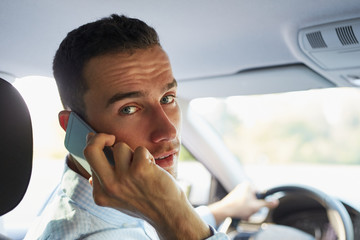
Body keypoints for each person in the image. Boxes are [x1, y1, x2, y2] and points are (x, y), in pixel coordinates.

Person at [25, 14, 277, 239]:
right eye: (129, 109)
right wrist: (172, 213)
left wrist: (222, 210)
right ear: (73, 127)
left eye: (167, 99)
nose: (168, 132)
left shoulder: (104, 201)